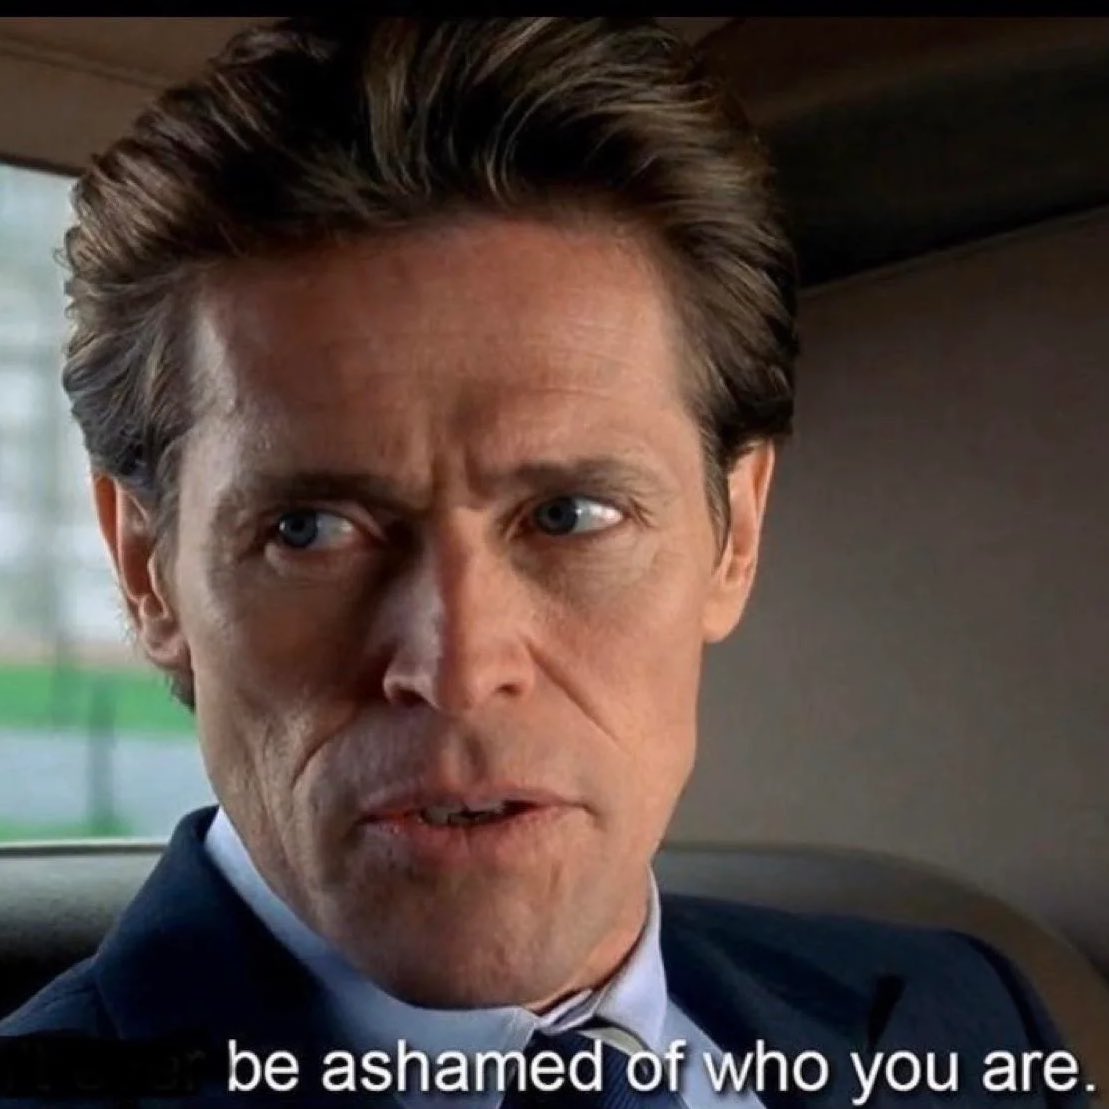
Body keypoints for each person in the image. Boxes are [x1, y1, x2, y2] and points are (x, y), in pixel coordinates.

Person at [0, 16, 1086, 1109]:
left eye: (569, 515)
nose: (459, 666)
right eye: (310, 529)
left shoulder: (962, 1020)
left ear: (736, 533)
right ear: (146, 569)